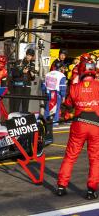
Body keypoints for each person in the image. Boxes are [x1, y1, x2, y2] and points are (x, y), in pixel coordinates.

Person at [56, 61, 99, 200]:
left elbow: (67, 106)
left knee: (70, 156)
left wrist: (69, 112)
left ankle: (61, 186)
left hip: (79, 125)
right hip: (96, 126)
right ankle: (91, 190)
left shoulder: (75, 87)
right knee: (95, 159)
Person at [11, 48, 36, 112]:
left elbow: (33, 79)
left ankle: (24, 118)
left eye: (30, 56)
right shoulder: (19, 62)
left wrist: (33, 75)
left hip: (27, 87)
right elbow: (13, 73)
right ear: (26, 54)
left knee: (25, 105)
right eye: (28, 55)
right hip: (18, 86)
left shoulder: (32, 65)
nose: (29, 57)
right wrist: (22, 71)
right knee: (16, 104)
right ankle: (15, 118)